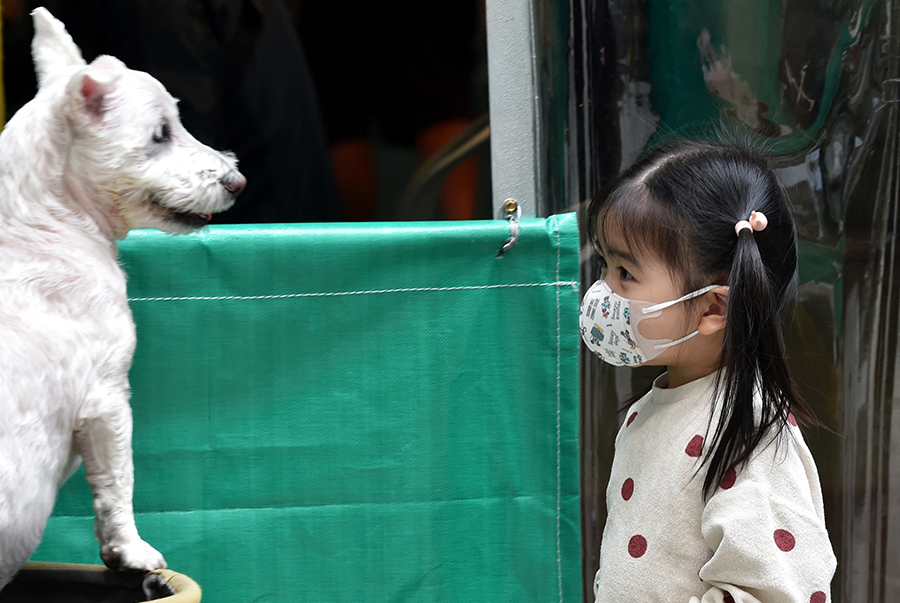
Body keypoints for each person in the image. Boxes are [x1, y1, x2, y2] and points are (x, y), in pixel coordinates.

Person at [579, 140, 836, 602]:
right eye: (605, 264)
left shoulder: (749, 433)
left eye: (625, 273)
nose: (603, 289)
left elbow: (777, 590)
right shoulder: (652, 411)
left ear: (714, 306)